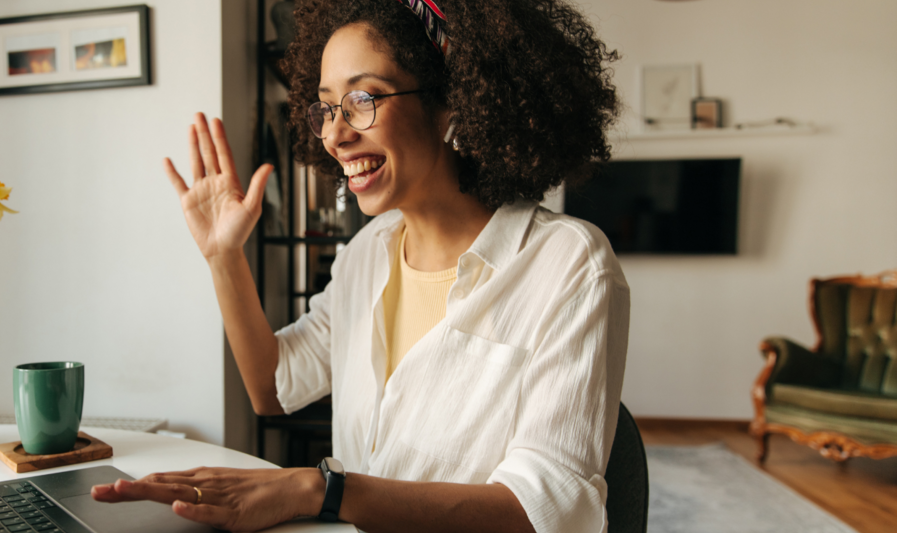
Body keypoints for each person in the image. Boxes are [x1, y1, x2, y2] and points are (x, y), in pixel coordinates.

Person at [91, 1, 629, 531]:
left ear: (452, 102)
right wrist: (223, 256)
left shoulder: (568, 263)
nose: (334, 134)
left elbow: (548, 511)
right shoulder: (367, 254)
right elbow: (274, 387)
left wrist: (319, 491)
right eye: (327, 107)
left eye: (362, 99)